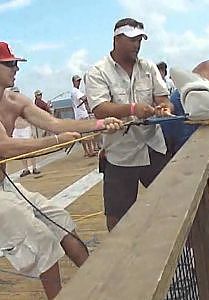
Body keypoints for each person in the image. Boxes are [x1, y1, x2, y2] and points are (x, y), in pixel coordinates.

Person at [0, 41, 123, 299]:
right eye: (10, 64)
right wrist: (56, 141)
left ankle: (101, 288)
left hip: (5, 185)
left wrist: (99, 123)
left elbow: (55, 123)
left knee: (62, 221)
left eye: (15, 63)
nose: (16, 69)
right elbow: (6, 147)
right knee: (42, 240)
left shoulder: (14, 100)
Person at [85, 17, 173, 231]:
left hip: (153, 147)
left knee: (171, 202)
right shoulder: (97, 72)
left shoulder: (148, 67)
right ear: (117, 38)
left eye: (140, 39)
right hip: (120, 154)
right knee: (117, 216)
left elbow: (163, 98)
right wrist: (132, 109)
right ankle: (117, 258)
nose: (137, 44)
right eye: (132, 39)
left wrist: (164, 109)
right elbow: (99, 108)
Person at [11, 87, 41, 177]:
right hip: (16, 129)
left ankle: (34, 167)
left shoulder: (23, 103)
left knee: (31, 149)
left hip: (26, 128)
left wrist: (33, 131)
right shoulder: (9, 105)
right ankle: (26, 169)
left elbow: (31, 117)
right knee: (20, 150)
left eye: (16, 92)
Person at [71, 74, 96, 157]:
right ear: (73, 82)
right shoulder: (76, 91)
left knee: (83, 135)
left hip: (78, 116)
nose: (79, 82)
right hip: (82, 115)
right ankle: (90, 151)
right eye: (77, 81)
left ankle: (87, 151)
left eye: (79, 81)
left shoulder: (74, 91)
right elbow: (84, 98)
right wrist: (89, 94)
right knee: (87, 134)